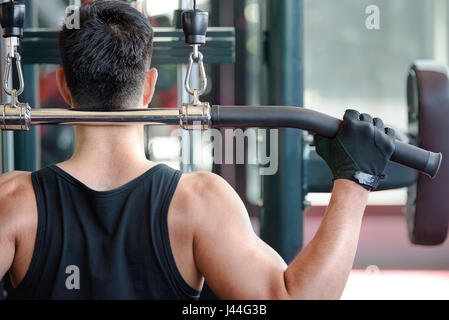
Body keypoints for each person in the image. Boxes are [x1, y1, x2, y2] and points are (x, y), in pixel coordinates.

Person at [0, 1, 395, 300]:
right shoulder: (199, 203)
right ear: (149, 87)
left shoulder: (12, 202)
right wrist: (355, 181)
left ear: (64, 87)